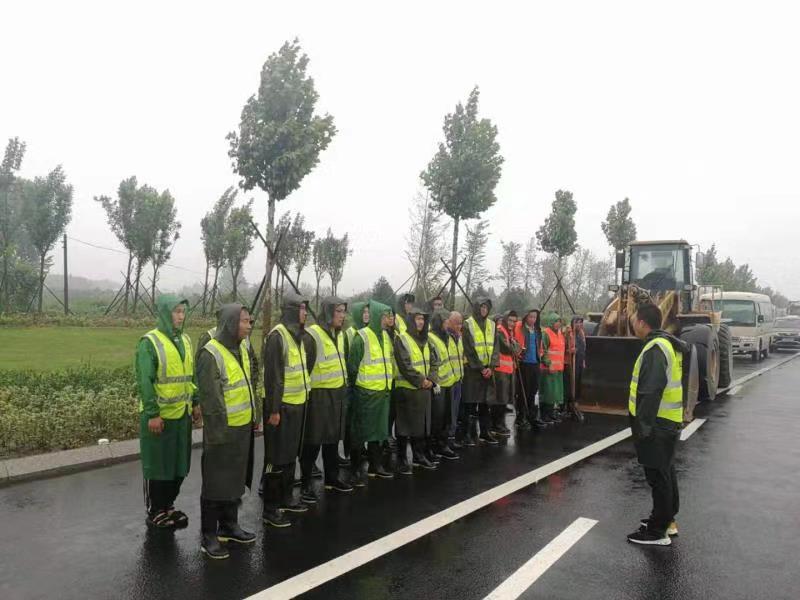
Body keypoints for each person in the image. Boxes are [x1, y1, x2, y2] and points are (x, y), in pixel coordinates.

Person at [196, 304, 258, 559]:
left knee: (234, 479)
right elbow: (211, 399)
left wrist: (255, 413)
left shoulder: (242, 346)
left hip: (242, 426)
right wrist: (219, 435)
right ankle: (209, 535)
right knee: (215, 482)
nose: (249, 325)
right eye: (244, 321)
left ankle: (230, 526)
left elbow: (250, 380)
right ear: (231, 323)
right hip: (223, 430)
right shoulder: (211, 353)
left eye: (249, 321)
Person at [136, 295, 200, 530]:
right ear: (164, 313)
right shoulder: (149, 342)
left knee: (178, 465)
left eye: (183, 311)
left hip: (181, 415)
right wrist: (153, 413)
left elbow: (190, 376)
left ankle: (168, 505)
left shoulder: (185, 340)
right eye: (176, 312)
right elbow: (145, 381)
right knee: (159, 466)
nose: (180, 316)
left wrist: (195, 402)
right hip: (160, 418)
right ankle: (156, 510)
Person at [627, 303, 686, 546]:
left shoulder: (655, 348)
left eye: (633, 320)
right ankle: (666, 520)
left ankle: (657, 531)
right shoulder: (666, 343)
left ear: (642, 322)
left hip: (657, 423)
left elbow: (651, 391)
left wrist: (643, 428)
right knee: (665, 471)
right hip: (666, 421)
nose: (632, 324)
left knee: (658, 475)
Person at [261, 293, 312, 528]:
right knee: (275, 459)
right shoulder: (277, 337)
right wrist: (273, 410)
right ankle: (270, 509)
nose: (305, 313)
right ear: (291, 311)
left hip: (298, 404)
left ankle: (287, 498)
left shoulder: (298, 336)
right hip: (280, 409)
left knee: (290, 456)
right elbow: (273, 377)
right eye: (302, 309)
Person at [300, 296, 353, 503]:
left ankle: (332, 478)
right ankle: (305, 484)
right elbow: (305, 367)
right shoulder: (312, 335)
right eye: (338, 311)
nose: (342, 315)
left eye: (343, 311)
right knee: (313, 441)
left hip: (337, 393)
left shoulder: (338, 335)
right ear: (328, 312)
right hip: (318, 396)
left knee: (332, 439)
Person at [347, 300, 395, 485]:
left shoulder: (385, 336)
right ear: (377, 316)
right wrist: (359, 388)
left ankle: (376, 466)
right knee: (359, 433)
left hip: (382, 394)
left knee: (379, 432)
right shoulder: (362, 337)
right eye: (385, 316)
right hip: (365, 395)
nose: (388, 319)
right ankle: (355, 469)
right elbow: (352, 367)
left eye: (389, 316)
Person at [394, 306, 441, 474]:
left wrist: (432, 379)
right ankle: (401, 459)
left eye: (422, 319)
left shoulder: (426, 339)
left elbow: (434, 361)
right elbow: (404, 365)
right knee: (404, 426)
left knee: (421, 425)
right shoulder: (402, 339)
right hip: (407, 390)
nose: (420, 322)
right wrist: (422, 381)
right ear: (410, 321)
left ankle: (418, 456)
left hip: (424, 388)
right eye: (417, 319)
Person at [462, 297, 500, 446]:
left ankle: (485, 432)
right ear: (476, 308)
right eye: (481, 307)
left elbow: (495, 347)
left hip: (488, 371)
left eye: (486, 307)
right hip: (473, 370)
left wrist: (491, 367)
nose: (484, 310)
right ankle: (470, 434)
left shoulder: (492, 324)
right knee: (471, 404)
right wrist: (481, 368)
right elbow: (469, 349)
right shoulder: (468, 324)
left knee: (486, 403)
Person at [427, 309, 460, 461]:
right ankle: (435, 446)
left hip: (450, 382)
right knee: (437, 418)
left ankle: (443, 444)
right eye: (445, 321)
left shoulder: (447, 337)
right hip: (438, 385)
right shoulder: (431, 338)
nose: (447, 323)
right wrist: (434, 382)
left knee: (447, 417)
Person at [513, 309, 544, 430]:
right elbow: (515, 340)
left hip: (535, 363)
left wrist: (540, 356)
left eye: (535, 317)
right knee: (522, 391)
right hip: (524, 363)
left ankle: (532, 416)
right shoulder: (519, 327)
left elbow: (539, 346)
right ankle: (521, 417)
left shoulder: (537, 330)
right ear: (526, 317)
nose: (532, 319)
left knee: (533, 391)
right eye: (530, 317)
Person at [491, 310, 518, 437]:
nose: (512, 323)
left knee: (504, 399)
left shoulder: (509, 332)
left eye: (514, 321)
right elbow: (507, 349)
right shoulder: (500, 330)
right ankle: (497, 425)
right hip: (500, 370)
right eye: (510, 320)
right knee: (499, 400)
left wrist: (515, 348)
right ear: (506, 320)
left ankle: (500, 424)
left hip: (507, 370)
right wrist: (514, 348)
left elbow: (516, 348)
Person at [539, 311, 566, 422]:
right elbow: (542, 350)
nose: (558, 324)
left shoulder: (560, 334)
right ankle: (544, 415)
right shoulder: (546, 333)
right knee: (547, 393)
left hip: (558, 369)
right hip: (548, 369)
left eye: (559, 321)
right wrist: (548, 363)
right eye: (556, 321)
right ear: (551, 322)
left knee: (554, 393)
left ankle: (551, 413)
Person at [445, 311, 466, 447]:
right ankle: (447, 439)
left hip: (458, 380)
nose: (459, 326)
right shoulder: (446, 337)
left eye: (461, 323)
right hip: (448, 381)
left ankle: (451, 438)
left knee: (455, 411)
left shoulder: (459, 337)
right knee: (449, 412)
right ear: (449, 322)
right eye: (457, 323)